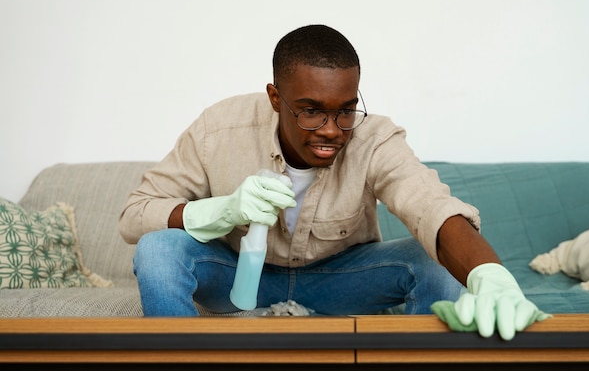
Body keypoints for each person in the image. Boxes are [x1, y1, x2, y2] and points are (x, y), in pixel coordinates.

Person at [118, 24, 548, 341]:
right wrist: (219, 210)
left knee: (432, 258)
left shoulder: (374, 137)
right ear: (275, 98)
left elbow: (428, 203)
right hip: (236, 276)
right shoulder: (219, 129)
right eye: (310, 111)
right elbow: (134, 215)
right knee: (158, 247)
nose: (332, 130)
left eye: (345, 110)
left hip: (341, 279)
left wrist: (490, 275)